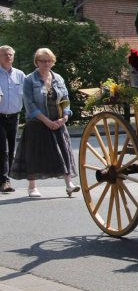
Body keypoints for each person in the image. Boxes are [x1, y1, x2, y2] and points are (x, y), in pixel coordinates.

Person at [10, 48, 78, 198]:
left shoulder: (58, 78)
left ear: (53, 62)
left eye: (49, 61)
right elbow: (29, 104)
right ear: (37, 62)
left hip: (58, 122)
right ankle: (32, 187)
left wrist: (65, 117)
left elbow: (65, 99)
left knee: (64, 153)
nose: (46, 63)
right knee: (34, 155)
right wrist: (46, 121)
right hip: (37, 123)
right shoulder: (30, 79)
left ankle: (69, 185)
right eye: (42, 61)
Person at [0, 46, 25, 194]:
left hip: (14, 117)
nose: (8, 57)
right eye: (4, 54)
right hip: (0, 117)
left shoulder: (20, 75)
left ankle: (5, 178)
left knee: (11, 150)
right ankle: (4, 181)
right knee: (3, 149)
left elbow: (27, 95)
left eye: (10, 55)